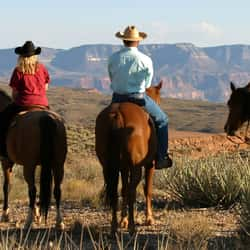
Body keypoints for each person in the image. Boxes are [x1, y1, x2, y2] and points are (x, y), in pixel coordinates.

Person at [108, 25, 172, 169]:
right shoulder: (145, 59)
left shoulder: (113, 58)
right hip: (138, 98)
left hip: (117, 98)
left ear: (123, 40)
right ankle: (162, 157)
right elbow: (148, 84)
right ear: (138, 41)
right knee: (162, 120)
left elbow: (112, 77)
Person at [0, 41, 50, 158]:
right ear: (34, 56)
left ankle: (4, 152)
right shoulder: (42, 68)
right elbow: (46, 86)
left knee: (3, 120)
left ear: (21, 56)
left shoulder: (18, 70)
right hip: (42, 103)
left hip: (23, 104)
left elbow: (15, 92)